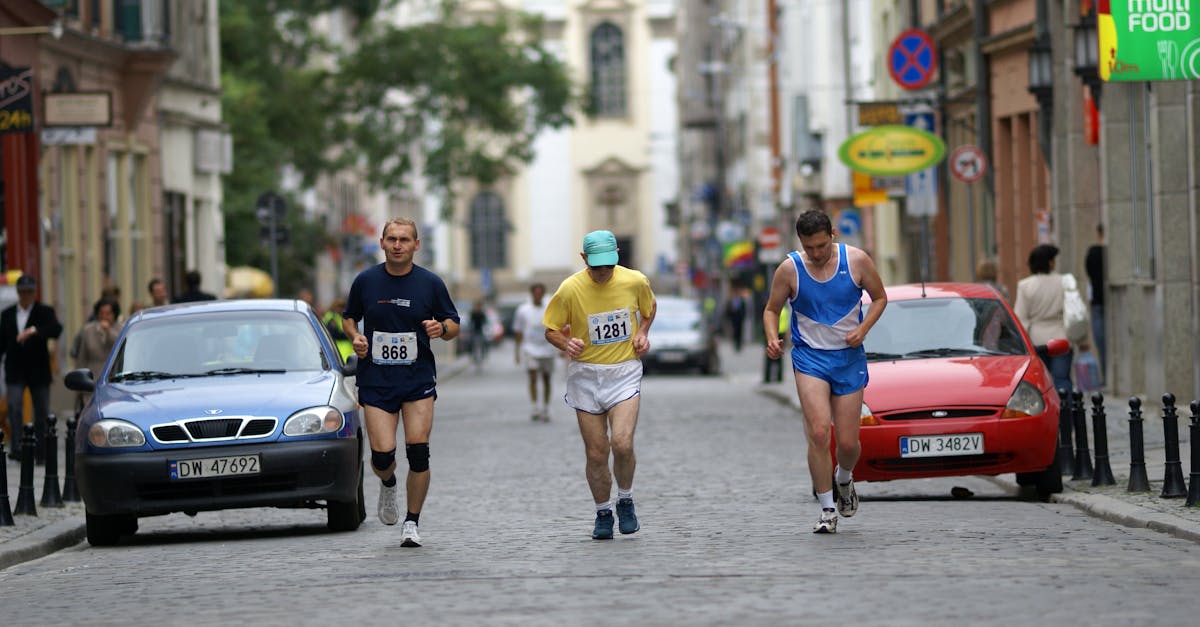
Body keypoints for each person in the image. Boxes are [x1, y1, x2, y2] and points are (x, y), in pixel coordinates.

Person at [762, 210, 887, 534]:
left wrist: (863, 329)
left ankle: (844, 479)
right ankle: (827, 509)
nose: (816, 254)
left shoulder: (857, 260)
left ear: (832, 234)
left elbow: (880, 298)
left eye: (821, 246)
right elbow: (771, 309)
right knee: (818, 433)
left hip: (848, 358)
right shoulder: (790, 269)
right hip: (810, 359)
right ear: (800, 242)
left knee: (847, 443)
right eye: (809, 247)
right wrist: (772, 337)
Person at [342, 218, 459, 548]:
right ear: (381, 243)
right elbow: (348, 316)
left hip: (417, 377)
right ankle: (388, 482)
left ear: (416, 245)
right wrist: (356, 337)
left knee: (418, 450)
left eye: (404, 239)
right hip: (376, 378)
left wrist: (442, 330)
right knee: (382, 456)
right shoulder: (366, 281)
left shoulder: (430, 283)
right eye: (391, 239)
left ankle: (412, 522)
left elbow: (453, 324)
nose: (397, 245)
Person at [543, 229, 656, 540]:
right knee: (596, 453)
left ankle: (626, 499)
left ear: (617, 256)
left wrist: (642, 332)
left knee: (622, 443)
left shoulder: (635, 281)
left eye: (609, 265)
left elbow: (649, 309)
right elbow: (550, 329)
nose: (603, 272)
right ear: (584, 260)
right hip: (586, 375)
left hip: (623, 372)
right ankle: (603, 511)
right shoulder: (569, 289)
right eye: (596, 266)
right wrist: (566, 343)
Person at [1, 275, 64, 462]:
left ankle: (41, 450)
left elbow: (56, 330)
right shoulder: (7, 314)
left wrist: (35, 331)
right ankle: (19, 447)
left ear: (34, 292)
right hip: (15, 368)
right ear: (18, 293)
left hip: (38, 369)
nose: (26, 295)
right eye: (23, 292)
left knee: (41, 410)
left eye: (29, 291)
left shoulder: (44, 312)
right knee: (13, 405)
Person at [1013, 244, 1074, 394]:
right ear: (1050, 262)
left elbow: (1020, 317)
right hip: (1061, 337)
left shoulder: (1025, 286)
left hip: (1037, 340)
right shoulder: (1063, 281)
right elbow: (1073, 310)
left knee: (1041, 384)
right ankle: (1066, 415)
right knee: (1062, 380)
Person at [513, 282, 558, 421]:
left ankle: (546, 406)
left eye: (540, 293)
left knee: (546, 378)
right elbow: (519, 331)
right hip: (530, 348)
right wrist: (517, 351)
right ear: (532, 293)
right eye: (535, 293)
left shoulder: (550, 307)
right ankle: (534, 406)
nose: (538, 295)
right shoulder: (523, 310)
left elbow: (558, 327)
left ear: (543, 294)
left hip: (547, 348)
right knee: (533, 376)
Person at [71, 297, 121, 410]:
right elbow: (82, 358)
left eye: (108, 313)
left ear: (114, 314)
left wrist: (109, 332)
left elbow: (120, 347)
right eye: (101, 313)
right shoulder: (88, 330)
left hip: (114, 382)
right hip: (93, 383)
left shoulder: (120, 329)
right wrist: (79, 385)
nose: (105, 317)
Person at [1085, 224, 1105, 376]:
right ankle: (1105, 372)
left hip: (1097, 302)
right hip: (1102, 301)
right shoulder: (1104, 253)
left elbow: (1088, 273)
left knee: (1100, 340)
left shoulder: (1093, 253)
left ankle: (1104, 372)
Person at [724, 287, 749, 352]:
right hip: (733, 319)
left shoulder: (741, 300)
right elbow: (727, 310)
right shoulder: (731, 301)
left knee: (740, 332)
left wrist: (743, 317)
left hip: (740, 319)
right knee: (735, 332)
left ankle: (739, 345)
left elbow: (744, 310)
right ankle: (736, 345)